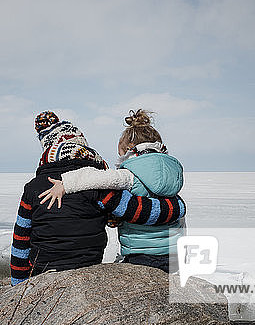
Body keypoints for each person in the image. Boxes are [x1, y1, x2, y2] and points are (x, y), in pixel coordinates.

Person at [10, 111, 186, 286]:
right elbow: (120, 215)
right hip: (96, 264)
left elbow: (20, 241)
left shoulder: (33, 188)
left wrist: (18, 286)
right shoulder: (172, 181)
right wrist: (177, 207)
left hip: (46, 268)